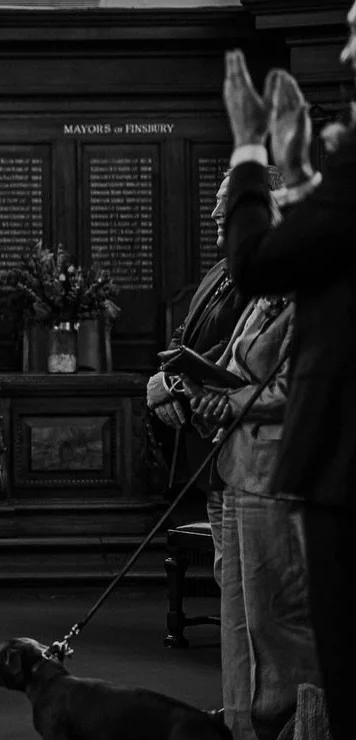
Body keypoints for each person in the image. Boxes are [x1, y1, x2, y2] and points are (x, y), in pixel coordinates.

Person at [221, 44, 356, 740]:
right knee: (266, 632)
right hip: (295, 460)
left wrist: (250, 143)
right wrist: (304, 178)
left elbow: (261, 266)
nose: (346, 48)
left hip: (330, 457)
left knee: (305, 642)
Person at [181, 284, 311, 740]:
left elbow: (296, 387)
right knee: (238, 619)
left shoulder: (315, 298)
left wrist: (231, 402)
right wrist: (209, 394)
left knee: (272, 625)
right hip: (236, 467)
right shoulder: (261, 299)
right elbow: (235, 366)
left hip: (276, 476)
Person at [146, 170, 270, 584]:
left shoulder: (269, 277)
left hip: (247, 447)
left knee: (246, 582)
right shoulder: (221, 270)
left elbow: (231, 358)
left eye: (227, 202)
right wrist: (162, 377)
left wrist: (172, 387)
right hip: (210, 453)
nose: (215, 210)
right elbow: (184, 340)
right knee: (228, 575)